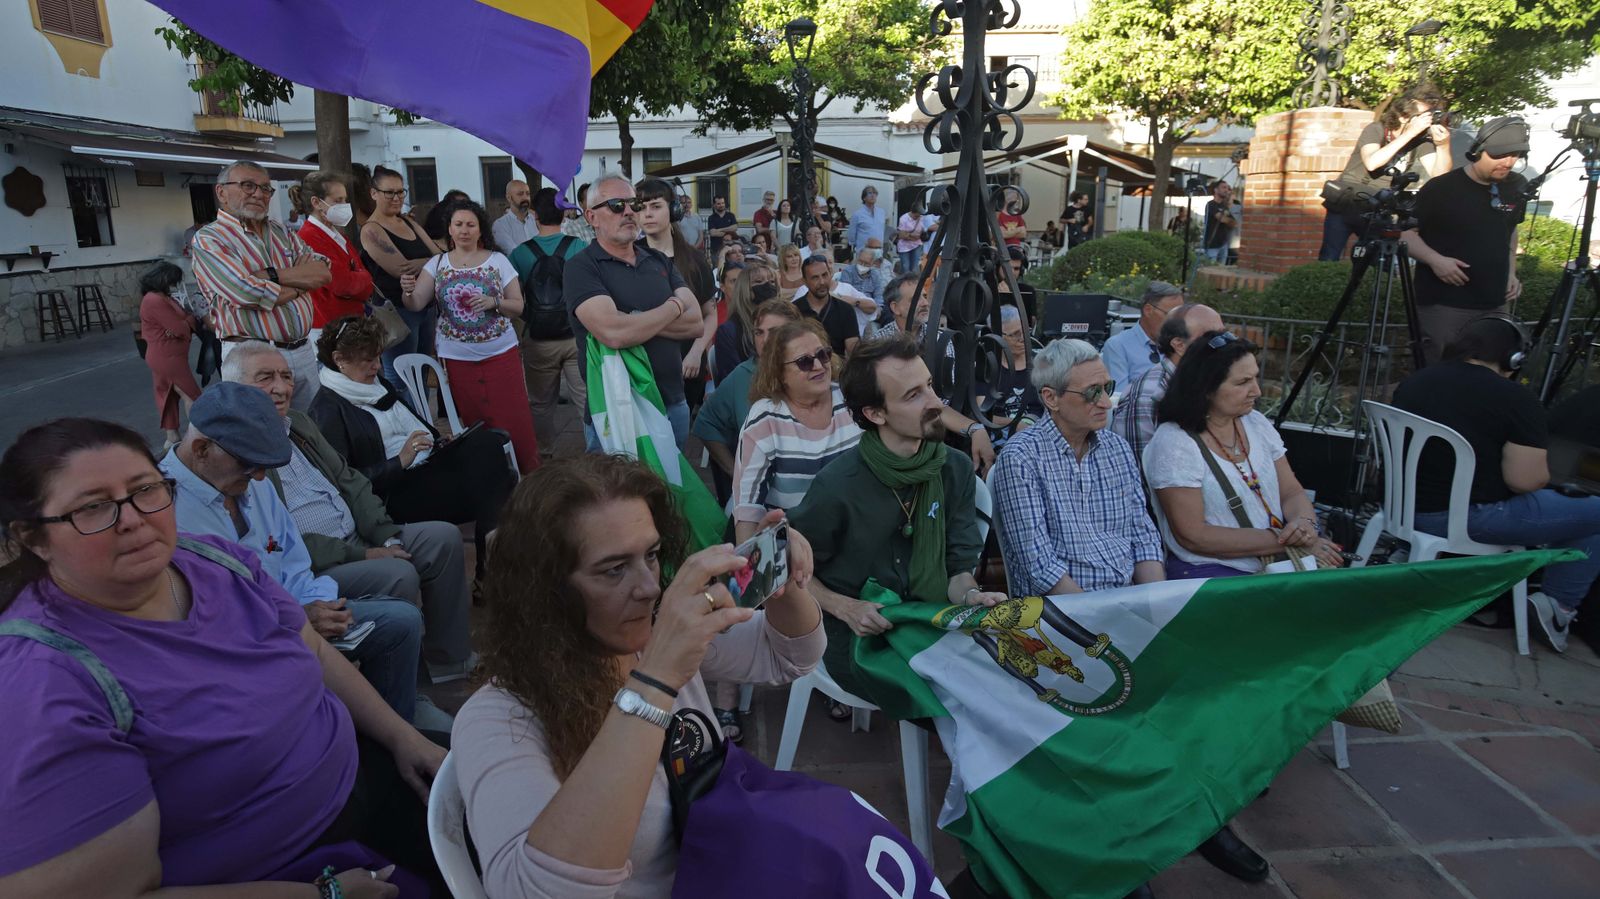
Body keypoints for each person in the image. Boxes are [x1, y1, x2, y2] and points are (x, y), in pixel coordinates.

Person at [0, 417, 446, 896]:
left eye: (145, 489)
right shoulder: (47, 679)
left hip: (360, 771)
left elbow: (311, 648)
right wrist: (321, 896)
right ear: (33, 537)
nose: (133, 518)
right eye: (93, 508)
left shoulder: (213, 560)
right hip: (280, 867)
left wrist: (403, 737)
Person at [450, 453, 824, 897]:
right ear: (545, 590)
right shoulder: (499, 717)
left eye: (651, 555)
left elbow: (790, 657)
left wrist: (782, 577)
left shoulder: (650, 636)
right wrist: (656, 679)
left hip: (734, 868)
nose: (649, 587)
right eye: (613, 569)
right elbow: (531, 890)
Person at [158, 383, 433, 721]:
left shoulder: (250, 483)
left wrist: (317, 607)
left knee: (401, 622)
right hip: (241, 652)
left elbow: (296, 563)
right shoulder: (160, 511)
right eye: (251, 464)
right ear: (201, 449)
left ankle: (395, 724)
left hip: (295, 618)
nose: (261, 476)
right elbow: (198, 620)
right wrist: (294, 619)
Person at [224, 341, 476, 693]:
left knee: (443, 538)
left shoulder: (296, 423)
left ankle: (448, 660)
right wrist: (365, 554)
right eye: (265, 378)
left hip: (358, 536)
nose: (280, 388)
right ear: (233, 389)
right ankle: (404, 686)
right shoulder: (235, 452)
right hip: (317, 564)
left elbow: (349, 480)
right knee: (397, 573)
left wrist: (385, 535)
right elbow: (277, 541)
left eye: (286, 376)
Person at [789, 333, 1004, 703]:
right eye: (913, 395)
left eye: (930, 386)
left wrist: (970, 595)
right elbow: (791, 568)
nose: (935, 403)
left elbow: (956, 570)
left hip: (930, 617)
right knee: (965, 695)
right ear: (875, 413)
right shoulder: (838, 486)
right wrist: (845, 607)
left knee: (1013, 675)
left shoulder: (953, 469)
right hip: (859, 632)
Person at [1394, 316, 1600, 652]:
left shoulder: (1415, 381)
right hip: (1467, 518)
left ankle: (1554, 604)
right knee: (1595, 512)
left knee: (1587, 520)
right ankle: (1558, 608)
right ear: (1514, 359)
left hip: (1401, 511)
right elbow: (1525, 481)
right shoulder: (1515, 398)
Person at [310, 316, 516, 587]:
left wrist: (440, 441)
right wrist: (400, 461)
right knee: (499, 476)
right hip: (391, 495)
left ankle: (491, 572)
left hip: (423, 469)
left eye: (378, 357)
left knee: (487, 446)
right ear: (339, 359)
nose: (376, 366)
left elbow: (415, 426)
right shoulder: (328, 409)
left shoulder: (374, 384)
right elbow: (345, 481)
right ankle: (491, 571)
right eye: (367, 360)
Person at [1146, 332, 1345, 578]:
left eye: (1255, 379)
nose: (1257, 391)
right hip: (1214, 573)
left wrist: (1306, 526)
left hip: (1276, 560)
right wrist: (1291, 541)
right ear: (1205, 388)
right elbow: (1193, 536)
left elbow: (1292, 492)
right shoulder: (1175, 443)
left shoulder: (1256, 423)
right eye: (1243, 382)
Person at [991, 338, 1163, 594]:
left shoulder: (1117, 448)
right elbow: (1040, 568)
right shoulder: (1021, 457)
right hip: (1063, 615)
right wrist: (1101, 625)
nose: (1106, 402)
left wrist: (1157, 604)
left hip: (1126, 604)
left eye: (1108, 387)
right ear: (1051, 398)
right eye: (1092, 392)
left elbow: (1143, 538)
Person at [565, 174, 706, 448]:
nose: (629, 211)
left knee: (669, 489)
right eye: (617, 205)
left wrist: (632, 319)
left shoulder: (658, 259)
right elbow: (614, 334)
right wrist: (674, 305)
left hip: (672, 403)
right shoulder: (580, 267)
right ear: (591, 217)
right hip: (616, 409)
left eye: (634, 204)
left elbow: (696, 323)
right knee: (617, 490)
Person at [403, 199, 541, 472]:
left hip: (500, 353)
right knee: (474, 418)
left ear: (480, 230)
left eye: (470, 224)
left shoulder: (498, 260)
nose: (464, 230)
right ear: (450, 230)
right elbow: (416, 303)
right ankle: (489, 472)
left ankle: (526, 471)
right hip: (456, 357)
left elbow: (519, 305)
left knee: (514, 417)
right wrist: (407, 291)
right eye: (458, 225)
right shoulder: (437, 263)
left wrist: (494, 303)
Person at [190, 160, 332, 410]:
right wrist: (301, 283)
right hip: (253, 357)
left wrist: (269, 275)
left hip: (303, 350)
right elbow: (248, 293)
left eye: (266, 188)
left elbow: (322, 272)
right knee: (262, 431)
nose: (258, 193)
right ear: (221, 192)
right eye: (248, 186)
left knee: (311, 430)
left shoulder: (281, 232)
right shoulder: (210, 239)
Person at [1402, 116, 1530, 364]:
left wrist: (1511, 272)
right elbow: (1405, 233)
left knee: (1490, 370)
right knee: (1441, 370)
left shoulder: (1517, 185)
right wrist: (1436, 260)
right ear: (1478, 151)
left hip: (1494, 301)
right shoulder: (1441, 188)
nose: (1508, 162)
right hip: (1446, 304)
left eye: (1515, 155)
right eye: (1499, 155)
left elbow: (1510, 229)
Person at [733, 319, 863, 544]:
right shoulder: (766, 418)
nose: (819, 366)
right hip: (795, 541)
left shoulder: (850, 399)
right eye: (804, 362)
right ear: (780, 373)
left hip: (856, 533)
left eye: (823, 355)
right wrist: (750, 569)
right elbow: (748, 507)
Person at [1320, 83, 1453, 262]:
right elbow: (1373, 162)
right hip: (1347, 202)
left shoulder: (1421, 142)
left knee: (1378, 262)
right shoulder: (1376, 129)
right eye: (1423, 116)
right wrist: (1410, 134)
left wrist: (1443, 146)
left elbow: (1440, 177)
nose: (1427, 120)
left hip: (1378, 208)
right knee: (1329, 257)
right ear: (1405, 115)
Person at [695, 299, 802, 504]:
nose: (764, 340)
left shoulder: (814, 368)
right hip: (763, 496)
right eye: (758, 332)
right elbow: (705, 422)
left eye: (774, 331)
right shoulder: (743, 376)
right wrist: (736, 471)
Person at [509, 186, 589, 458]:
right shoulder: (579, 247)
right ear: (564, 214)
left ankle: (544, 453)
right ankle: (597, 450)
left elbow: (513, 298)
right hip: (576, 336)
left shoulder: (519, 254)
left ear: (534, 214)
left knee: (541, 403)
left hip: (538, 339)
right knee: (586, 399)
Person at [360, 165, 444, 393]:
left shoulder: (408, 222)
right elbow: (401, 269)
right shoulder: (371, 230)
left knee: (422, 372)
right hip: (397, 312)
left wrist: (421, 263)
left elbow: (441, 257)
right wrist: (429, 262)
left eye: (400, 192)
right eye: (390, 192)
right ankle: (408, 427)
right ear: (374, 193)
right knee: (400, 377)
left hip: (426, 307)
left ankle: (426, 426)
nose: (396, 198)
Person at [1113, 303, 1226, 468]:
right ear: (1179, 345)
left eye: (1225, 336)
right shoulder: (1149, 396)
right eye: (1213, 339)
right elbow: (1141, 474)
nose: (1225, 345)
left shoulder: (1211, 382)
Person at [637, 177, 717, 413]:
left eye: (656, 206)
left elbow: (709, 314)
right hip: (643, 366)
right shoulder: (630, 257)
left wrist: (696, 352)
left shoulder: (694, 260)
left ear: (673, 210)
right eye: (641, 207)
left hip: (686, 366)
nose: (647, 214)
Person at [296, 170, 375, 346]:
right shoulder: (309, 237)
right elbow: (343, 284)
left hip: (349, 323)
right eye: (338, 200)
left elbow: (356, 274)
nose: (344, 205)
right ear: (316, 202)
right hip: (330, 328)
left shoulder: (335, 234)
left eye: (345, 199)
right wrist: (364, 277)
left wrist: (359, 276)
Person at [138, 261, 202, 448]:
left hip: (167, 354)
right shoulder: (154, 300)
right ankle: (199, 433)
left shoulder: (160, 297)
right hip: (166, 356)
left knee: (168, 394)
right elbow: (179, 327)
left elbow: (177, 325)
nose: (175, 284)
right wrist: (187, 321)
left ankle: (172, 437)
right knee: (191, 394)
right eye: (173, 280)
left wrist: (182, 322)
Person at [979, 305, 1043, 452]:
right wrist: (1017, 424)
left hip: (1037, 437)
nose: (1023, 338)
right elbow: (982, 412)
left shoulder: (1041, 364)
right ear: (998, 336)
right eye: (1015, 334)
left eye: (1025, 331)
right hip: (998, 440)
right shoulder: (986, 367)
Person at [1101, 280, 1187, 388]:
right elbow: (1118, 397)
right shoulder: (1118, 345)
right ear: (1148, 310)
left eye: (1180, 315)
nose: (1176, 322)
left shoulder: (1180, 345)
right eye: (1171, 314)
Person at [712, 263, 780, 384]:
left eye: (772, 281)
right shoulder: (729, 331)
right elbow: (733, 381)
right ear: (744, 288)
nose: (767, 285)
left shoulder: (785, 320)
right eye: (759, 281)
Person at [794, 255, 862, 358]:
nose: (822, 282)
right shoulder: (793, 310)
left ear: (831, 274)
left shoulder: (846, 310)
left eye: (825, 275)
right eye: (815, 277)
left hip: (837, 368)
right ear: (805, 281)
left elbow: (854, 351)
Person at [492, 179, 538, 254]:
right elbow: (513, 253)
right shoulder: (500, 225)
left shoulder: (537, 220)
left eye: (528, 194)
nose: (525, 197)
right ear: (509, 198)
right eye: (520, 194)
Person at [997, 244, 1038, 322]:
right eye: (1007, 267)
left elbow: (1031, 322)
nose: (1011, 272)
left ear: (1021, 271)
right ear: (998, 266)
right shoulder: (986, 289)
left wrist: (1008, 298)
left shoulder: (1028, 290)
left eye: (1016, 268)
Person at [1201, 181, 1239, 264]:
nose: (1226, 190)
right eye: (1223, 187)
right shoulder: (1211, 205)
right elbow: (1221, 219)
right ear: (1216, 190)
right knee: (1210, 268)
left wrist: (1232, 202)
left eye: (1227, 188)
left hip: (1223, 244)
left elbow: (1235, 223)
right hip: (1212, 244)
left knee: (1222, 269)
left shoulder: (1225, 205)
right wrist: (1228, 220)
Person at [847, 185, 889, 258]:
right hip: (863, 252)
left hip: (878, 252)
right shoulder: (857, 214)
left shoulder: (882, 212)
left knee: (877, 269)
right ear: (864, 197)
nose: (873, 195)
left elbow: (882, 230)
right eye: (869, 193)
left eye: (875, 193)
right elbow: (851, 235)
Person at [896, 204, 927, 275]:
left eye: (919, 216)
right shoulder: (904, 218)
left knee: (914, 267)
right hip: (904, 246)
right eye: (916, 216)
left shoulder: (922, 218)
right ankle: (905, 283)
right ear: (912, 212)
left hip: (917, 245)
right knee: (905, 267)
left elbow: (923, 231)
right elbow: (901, 235)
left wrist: (914, 236)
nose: (917, 217)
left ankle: (913, 284)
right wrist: (913, 236)